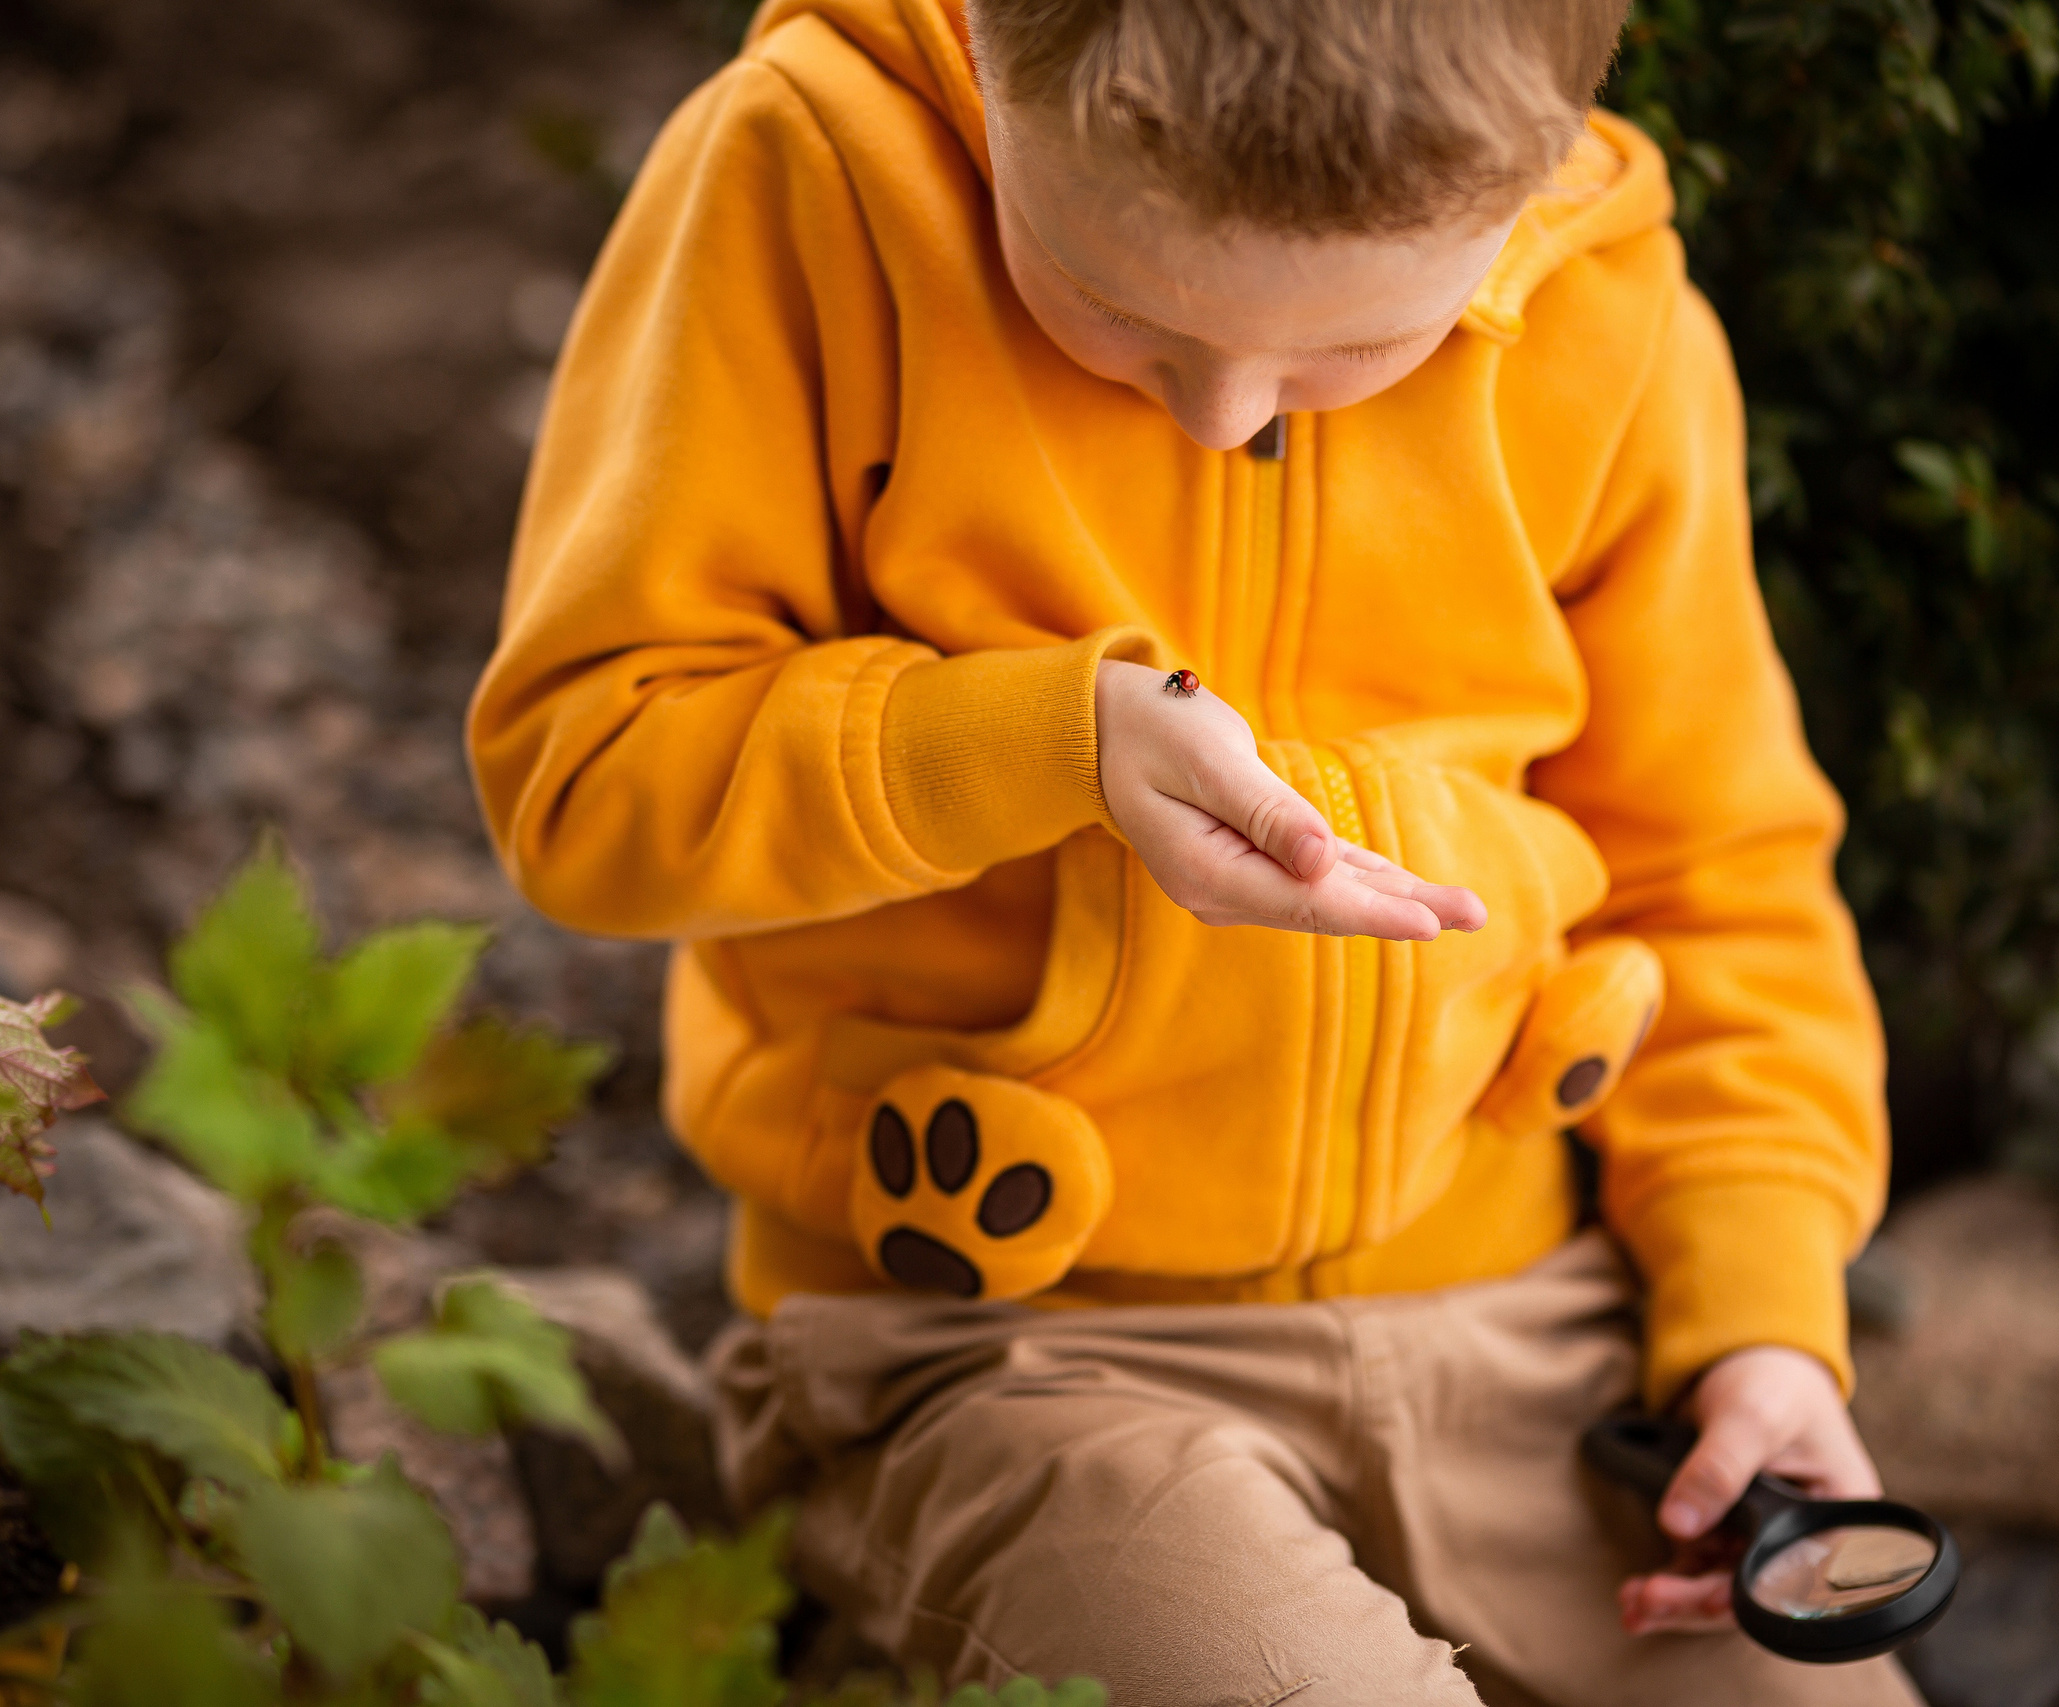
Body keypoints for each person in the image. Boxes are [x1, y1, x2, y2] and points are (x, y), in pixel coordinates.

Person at [469, 1, 1917, 1701]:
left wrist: (1753, 1318)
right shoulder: (808, 174)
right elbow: (589, 773)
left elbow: (1718, 873)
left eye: (1361, 349)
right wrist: (1044, 748)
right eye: (1114, 305)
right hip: (1009, 1355)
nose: (1226, 412)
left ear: (1526, 183)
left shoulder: (1617, 318)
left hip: (1535, 1334)